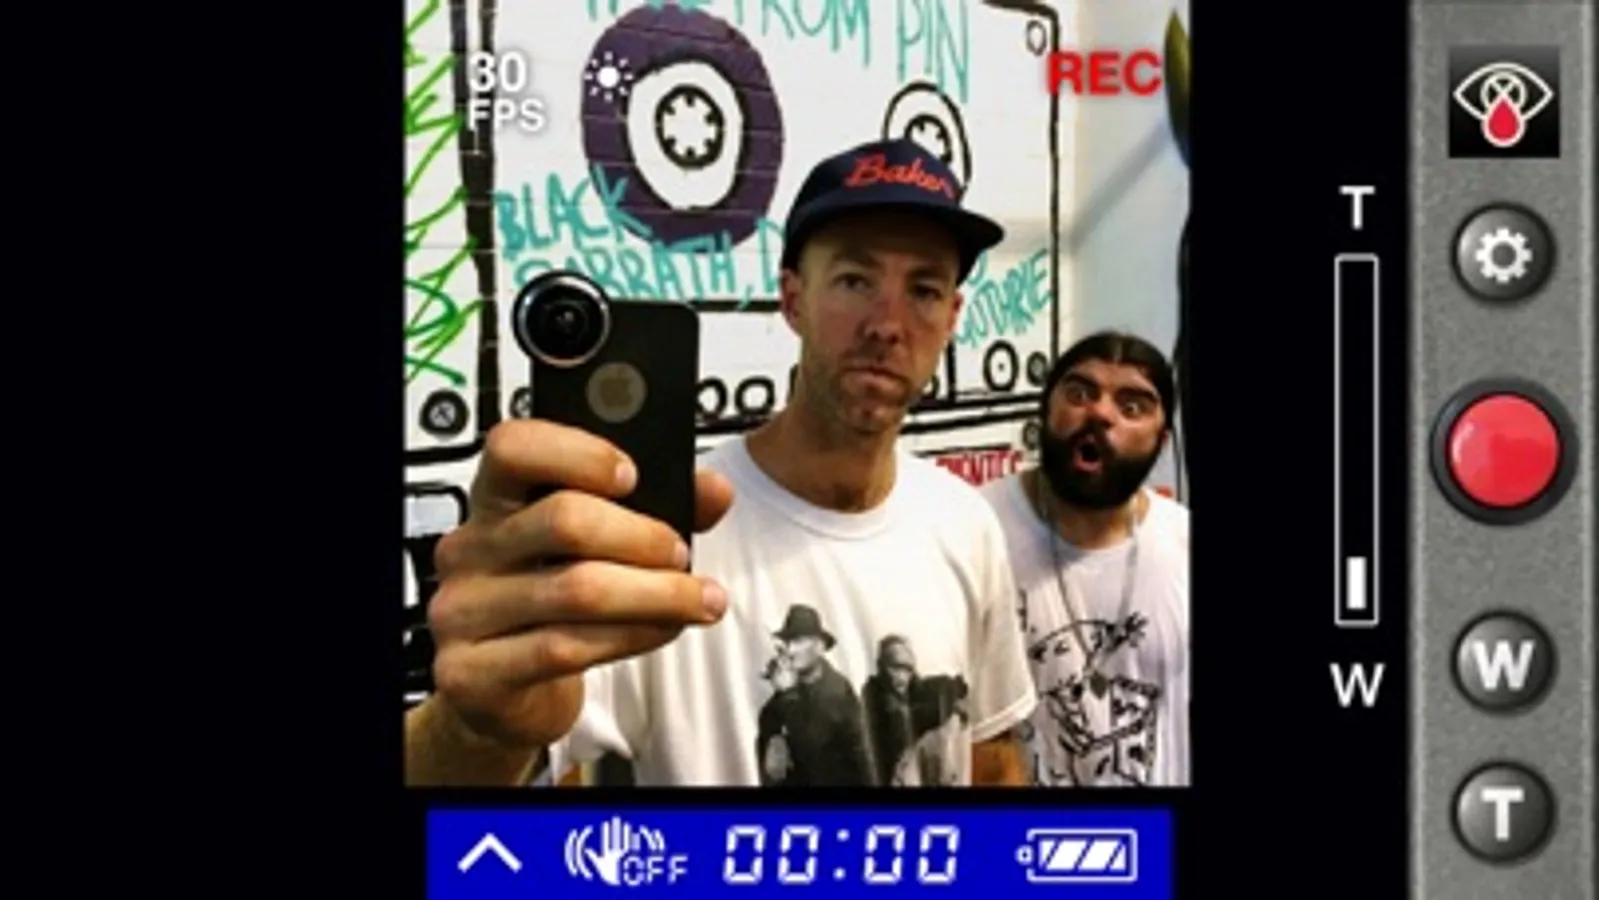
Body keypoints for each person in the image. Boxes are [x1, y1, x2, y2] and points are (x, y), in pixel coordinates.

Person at [405, 138, 1037, 787]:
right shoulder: (662, 538)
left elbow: (991, 759)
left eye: (924, 290)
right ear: (792, 299)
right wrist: (474, 726)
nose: (887, 325)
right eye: (855, 281)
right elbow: (488, 760)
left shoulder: (965, 523)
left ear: (952, 317)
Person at [980, 332, 1190, 787]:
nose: (1099, 413)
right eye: (1079, 394)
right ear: (1045, 409)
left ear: (1161, 440)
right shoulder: (975, 529)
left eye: (1132, 406)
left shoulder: (1183, 544)